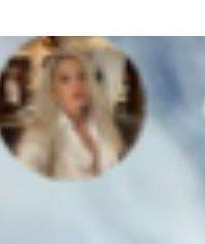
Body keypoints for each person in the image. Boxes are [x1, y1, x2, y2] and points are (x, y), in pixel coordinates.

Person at [13, 43, 126, 179]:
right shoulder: (41, 133)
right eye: (65, 79)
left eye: (82, 77)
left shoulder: (102, 125)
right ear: (53, 92)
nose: (77, 85)